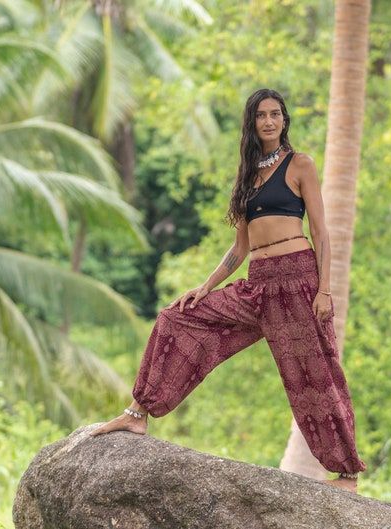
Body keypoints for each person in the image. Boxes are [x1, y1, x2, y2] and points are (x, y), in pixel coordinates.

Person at [91, 88, 367, 492]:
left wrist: (325, 289)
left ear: (285, 120)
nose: (270, 121)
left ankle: (346, 473)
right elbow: (240, 247)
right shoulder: (247, 176)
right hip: (258, 284)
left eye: (276, 114)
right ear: (252, 122)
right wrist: (203, 288)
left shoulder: (300, 165)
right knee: (174, 317)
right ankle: (137, 412)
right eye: (262, 115)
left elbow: (321, 232)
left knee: (316, 376)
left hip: (298, 280)